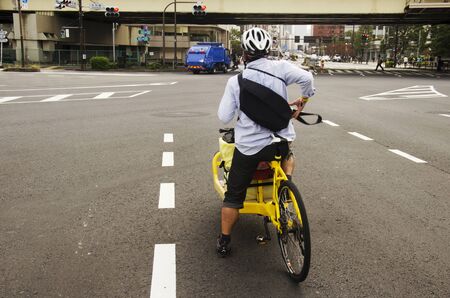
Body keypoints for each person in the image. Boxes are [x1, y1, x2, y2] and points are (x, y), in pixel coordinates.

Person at [216, 27, 315, 257]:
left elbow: (224, 117)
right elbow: (308, 78)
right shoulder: (281, 68)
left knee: (233, 197)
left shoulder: (236, 82)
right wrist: (304, 100)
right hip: (279, 144)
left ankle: (224, 241)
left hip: (249, 148)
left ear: (244, 53)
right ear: (268, 49)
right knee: (289, 155)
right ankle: (284, 187)